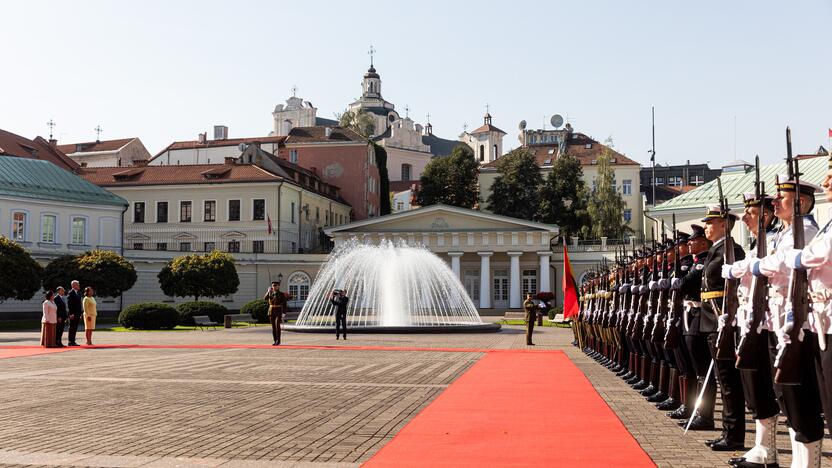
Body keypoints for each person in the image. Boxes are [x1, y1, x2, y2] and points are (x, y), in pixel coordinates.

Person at [737, 175, 824, 466]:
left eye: (781, 197)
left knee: (800, 397)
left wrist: (758, 265)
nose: (774, 203)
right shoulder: (783, 234)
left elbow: (786, 263)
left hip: (800, 324)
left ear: (799, 202)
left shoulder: (808, 231)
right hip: (777, 321)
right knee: (785, 395)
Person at [721, 193, 781, 468]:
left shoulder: (779, 237)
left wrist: (740, 267)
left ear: (767, 215)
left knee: (771, 390)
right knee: (755, 388)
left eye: (752, 212)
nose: (744, 217)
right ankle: (762, 449)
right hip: (753, 320)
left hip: (773, 323)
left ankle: (768, 452)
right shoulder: (760, 240)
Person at [782, 157, 832, 468]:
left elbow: (821, 253)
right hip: (819, 320)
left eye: (831, 176)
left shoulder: (815, 229)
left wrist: (799, 256)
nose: (826, 182)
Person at [264, 280, 289, 346]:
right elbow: (265, 298)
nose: (274, 287)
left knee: (277, 326)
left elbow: (284, 304)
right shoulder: (270, 293)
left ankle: (278, 341)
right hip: (271, 311)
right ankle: (275, 340)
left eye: (275, 285)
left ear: (278, 286)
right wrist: (268, 292)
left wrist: (284, 312)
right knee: (273, 327)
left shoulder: (281, 294)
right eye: (273, 286)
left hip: (278, 311)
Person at [66, 280, 83, 346]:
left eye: (78, 284)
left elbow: (79, 304)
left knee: (75, 327)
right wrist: (71, 314)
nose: (78, 285)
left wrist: (80, 313)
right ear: (73, 285)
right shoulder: (71, 293)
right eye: (77, 284)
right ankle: (70, 341)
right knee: (72, 327)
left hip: (77, 313)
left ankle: (73, 341)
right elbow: (70, 304)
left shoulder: (77, 293)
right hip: (73, 314)